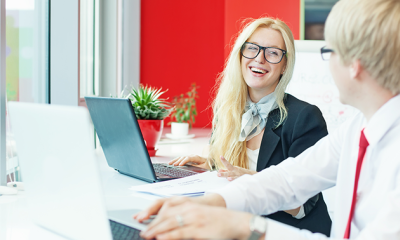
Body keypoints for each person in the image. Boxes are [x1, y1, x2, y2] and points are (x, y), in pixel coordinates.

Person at [134, 0, 400, 239]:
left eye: (330, 52)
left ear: (354, 65)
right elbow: (288, 179)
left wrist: (244, 226)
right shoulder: (357, 129)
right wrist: (210, 203)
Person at [168, 17, 331, 234]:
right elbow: (238, 171)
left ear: (284, 65)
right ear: (240, 54)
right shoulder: (227, 109)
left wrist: (252, 182)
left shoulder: (305, 117)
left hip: (284, 232)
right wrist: (213, 165)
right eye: (252, 48)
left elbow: (303, 206)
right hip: (235, 226)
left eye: (272, 53)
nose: (259, 59)